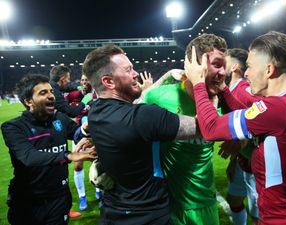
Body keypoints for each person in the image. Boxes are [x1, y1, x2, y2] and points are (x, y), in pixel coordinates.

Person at [185, 31, 286, 225]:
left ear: (268, 70)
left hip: (283, 220)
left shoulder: (277, 109)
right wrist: (224, 89)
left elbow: (211, 128)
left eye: (249, 66)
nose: (246, 73)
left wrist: (199, 83)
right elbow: (251, 116)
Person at [82, 44, 199, 225]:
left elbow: (138, 97)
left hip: (112, 212)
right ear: (108, 82)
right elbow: (205, 126)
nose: (136, 73)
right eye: (128, 70)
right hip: (148, 214)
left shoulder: (95, 112)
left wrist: (167, 76)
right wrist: (199, 83)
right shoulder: (144, 117)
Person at [144, 33, 226, 225]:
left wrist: (240, 144)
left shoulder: (224, 101)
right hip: (167, 206)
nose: (223, 72)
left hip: (205, 205)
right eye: (216, 64)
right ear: (193, 65)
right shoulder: (158, 98)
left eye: (224, 65)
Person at [1, 74, 96, 225]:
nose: (52, 96)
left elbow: (77, 133)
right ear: (28, 101)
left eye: (51, 91)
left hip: (59, 199)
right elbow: (29, 157)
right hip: (29, 203)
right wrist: (68, 155)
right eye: (43, 93)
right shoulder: (14, 127)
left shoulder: (60, 119)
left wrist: (86, 130)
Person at [221, 48, 259, 225]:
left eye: (225, 62)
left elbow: (262, 120)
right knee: (234, 198)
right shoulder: (231, 90)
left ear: (235, 67)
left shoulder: (244, 90)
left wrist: (245, 140)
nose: (221, 66)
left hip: (256, 163)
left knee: (259, 213)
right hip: (242, 161)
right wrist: (234, 160)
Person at [64, 73, 101, 211]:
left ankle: (99, 190)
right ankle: (82, 196)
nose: (85, 82)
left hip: (95, 136)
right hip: (78, 135)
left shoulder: (98, 94)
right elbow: (62, 106)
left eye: (87, 80)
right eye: (83, 80)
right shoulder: (74, 94)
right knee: (78, 165)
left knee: (95, 162)